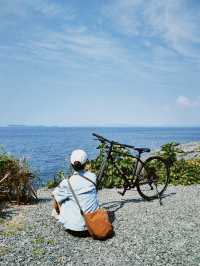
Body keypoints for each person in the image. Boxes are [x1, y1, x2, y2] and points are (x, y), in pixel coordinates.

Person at [52, 149, 99, 237]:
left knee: (60, 196)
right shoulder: (93, 177)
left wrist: (57, 208)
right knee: (71, 195)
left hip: (75, 229)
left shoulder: (67, 182)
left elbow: (54, 196)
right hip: (94, 225)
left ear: (71, 165)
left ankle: (58, 215)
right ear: (86, 163)